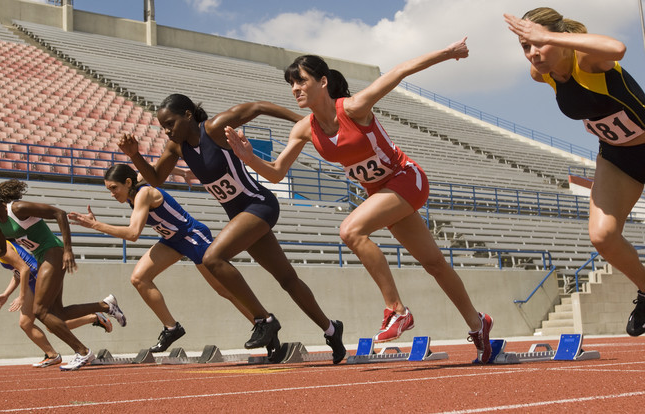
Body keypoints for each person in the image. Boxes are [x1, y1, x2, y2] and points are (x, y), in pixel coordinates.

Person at [225, 39, 494, 363]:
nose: (295, 88)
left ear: (323, 81)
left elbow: (400, 71)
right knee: (434, 263)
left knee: (350, 230)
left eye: (302, 80)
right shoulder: (304, 130)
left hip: (406, 178)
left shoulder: (354, 108)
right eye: (291, 83)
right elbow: (277, 173)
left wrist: (448, 53)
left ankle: (397, 310)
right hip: (381, 194)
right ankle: (478, 325)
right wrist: (248, 157)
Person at [118, 95, 346, 364]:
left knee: (212, 257)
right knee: (287, 279)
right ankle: (331, 329)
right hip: (241, 215)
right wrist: (135, 156)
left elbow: (259, 106)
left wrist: (307, 121)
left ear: (188, 114)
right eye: (163, 126)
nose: (168, 130)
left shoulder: (214, 128)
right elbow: (156, 178)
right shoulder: (176, 147)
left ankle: (264, 320)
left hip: (259, 204)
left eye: (171, 123)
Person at [505, 7, 645, 336]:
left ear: (562, 39)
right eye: (526, 47)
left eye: (538, 44)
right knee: (603, 236)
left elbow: (618, 48)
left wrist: (548, 36)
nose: (533, 53)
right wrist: (542, 42)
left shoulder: (587, 60)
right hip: (616, 158)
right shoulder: (541, 74)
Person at [68, 164, 254, 352]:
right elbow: (156, 167)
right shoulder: (135, 182)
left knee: (225, 290)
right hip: (172, 240)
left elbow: (133, 234)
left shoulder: (143, 194)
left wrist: (95, 225)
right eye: (109, 190)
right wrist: (183, 173)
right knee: (139, 279)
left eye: (114, 188)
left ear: (128, 182)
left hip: (192, 236)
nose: (112, 194)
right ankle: (172, 328)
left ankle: (261, 323)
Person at [0, 179, 127, 370]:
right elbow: (0, 250)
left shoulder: (17, 209)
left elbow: (59, 213)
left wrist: (68, 249)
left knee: (39, 311)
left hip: (54, 252)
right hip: (42, 257)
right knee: (58, 314)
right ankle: (106, 305)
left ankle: (82, 351)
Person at [0, 221, 112, 368]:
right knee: (26, 324)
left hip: (38, 279)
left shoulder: (4, 248)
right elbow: (18, 272)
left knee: (51, 323)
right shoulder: (0, 249)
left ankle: (94, 318)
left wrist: (22, 296)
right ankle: (52, 355)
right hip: (32, 282)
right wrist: (6, 294)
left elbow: (25, 269)